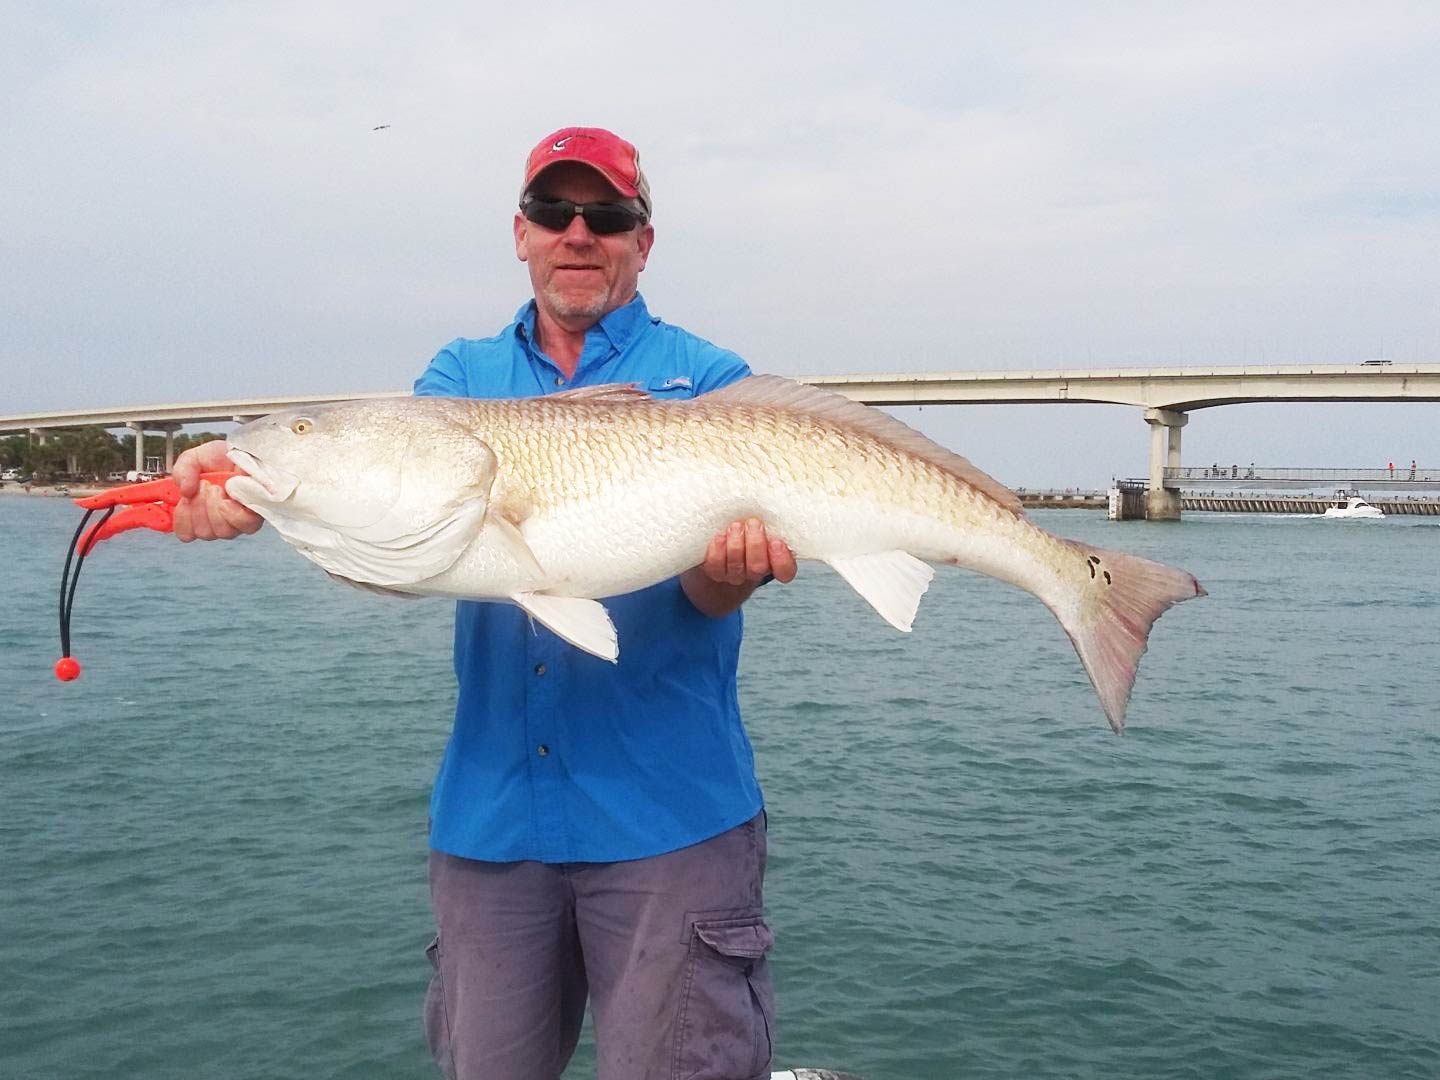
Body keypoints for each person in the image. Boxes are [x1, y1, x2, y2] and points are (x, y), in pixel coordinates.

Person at [171, 126, 795, 1080]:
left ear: (643, 239)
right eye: (554, 212)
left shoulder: (709, 383)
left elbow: (709, 598)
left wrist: (733, 569)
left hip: (673, 818)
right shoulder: (458, 383)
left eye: (607, 215)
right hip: (493, 824)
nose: (577, 233)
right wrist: (257, 503)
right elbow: (399, 547)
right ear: (520, 232)